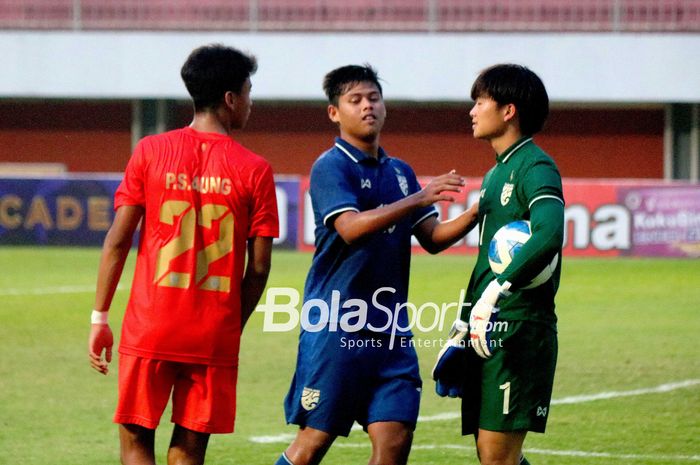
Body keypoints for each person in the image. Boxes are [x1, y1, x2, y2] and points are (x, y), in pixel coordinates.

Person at [274, 64, 479, 465]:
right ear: (335, 113)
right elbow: (350, 228)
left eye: (373, 97)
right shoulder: (330, 166)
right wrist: (419, 198)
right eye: (355, 100)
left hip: (390, 330)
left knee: (395, 440)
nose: (368, 106)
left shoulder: (399, 171)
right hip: (336, 325)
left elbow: (432, 238)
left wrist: (477, 211)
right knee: (314, 441)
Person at [88, 44, 279, 465]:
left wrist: (99, 318)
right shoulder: (255, 169)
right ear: (230, 99)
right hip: (212, 333)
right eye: (248, 91)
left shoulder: (150, 151)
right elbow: (260, 268)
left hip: (150, 326)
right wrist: (231, 324)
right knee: (191, 449)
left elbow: (118, 240)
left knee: (136, 441)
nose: (250, 101)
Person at [432, 64, 564, 465]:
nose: (472, 111)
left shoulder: (535, 166)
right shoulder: (493, 175)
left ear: (508, 111)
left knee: (496, 454)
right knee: (488, 452)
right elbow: (485, 260)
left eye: (480, 101)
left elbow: (548, 234)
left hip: (519, 327)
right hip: (486, 325)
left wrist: (497, 289)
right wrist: (466, 318)